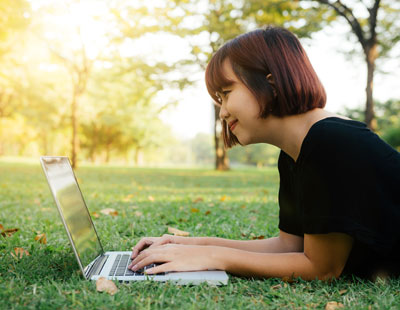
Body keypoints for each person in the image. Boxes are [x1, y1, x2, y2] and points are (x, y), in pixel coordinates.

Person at [128, 26, 400, 281]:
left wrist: (213, 257)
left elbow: (323, 268)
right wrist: (189, 245)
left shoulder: (331, 141)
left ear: (270, 84)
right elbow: (289, 245)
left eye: (226, 93)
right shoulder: (295, 152)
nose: (222, 113)